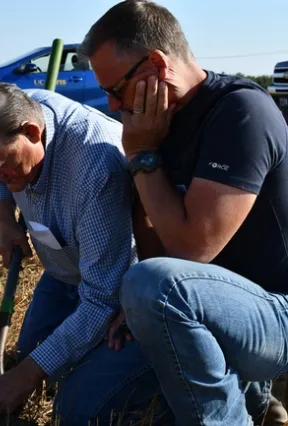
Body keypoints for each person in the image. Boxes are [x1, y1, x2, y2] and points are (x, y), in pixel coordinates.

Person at [79, 1, 288, 425]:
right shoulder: (158, 124)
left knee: (153, 286)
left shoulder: (240, 112)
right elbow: (157, 249)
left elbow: (192, 251)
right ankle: (249, 399)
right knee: (82, 405)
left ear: (155, 64)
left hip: (276, 312)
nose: (112, 105)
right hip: (207, 309)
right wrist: (140, 310)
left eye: (116, 89)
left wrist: (141, 154)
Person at [0, 82, 173, 425]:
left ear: (32, 132)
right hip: (62, 271)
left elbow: (102, 298)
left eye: (2, 165)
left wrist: (24, 377)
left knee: (79, 408)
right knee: (34, 357)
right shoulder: (14, 113)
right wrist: (4, 217)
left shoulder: (95, 166)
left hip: (117, 291)